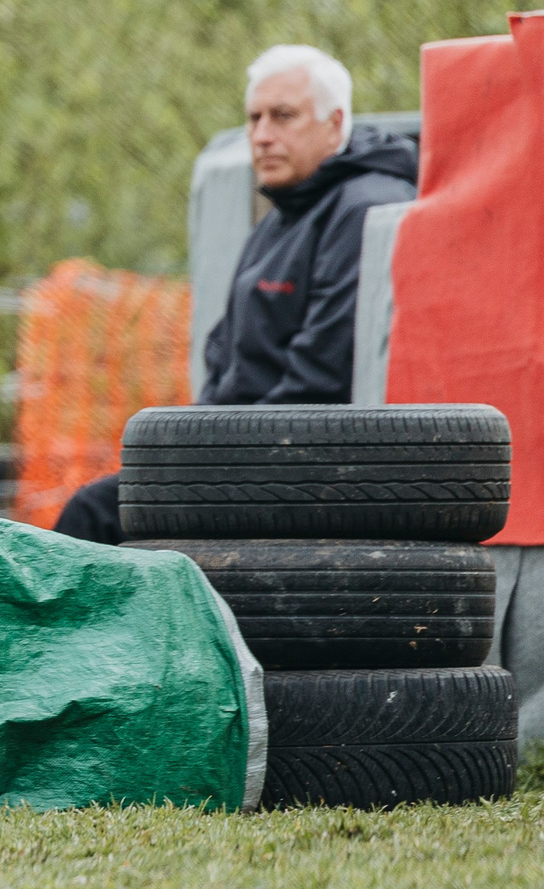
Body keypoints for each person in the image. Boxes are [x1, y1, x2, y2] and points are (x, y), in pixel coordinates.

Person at [52, 45, 419, 544]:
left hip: (301, 463)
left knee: (94, 515)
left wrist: (207, 451)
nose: (262, 135)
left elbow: (321, 382)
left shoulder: (364, 210)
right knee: (106, 497)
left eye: (283, 117)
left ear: (335, 124)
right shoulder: (284, 215)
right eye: (254, 119)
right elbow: (223, 357)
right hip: (244, 450)